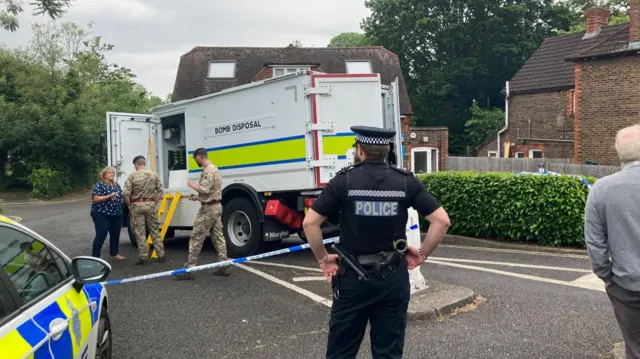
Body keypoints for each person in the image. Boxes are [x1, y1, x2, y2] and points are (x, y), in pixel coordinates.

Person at [303, 125, 451, 359]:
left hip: (352, 279)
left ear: (360, 150)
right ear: (387, 150)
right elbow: (441, 221)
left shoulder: (344, 182)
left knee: (341, 351)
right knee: (388, 352)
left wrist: (323, 259)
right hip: (393, 279)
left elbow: (310, 223)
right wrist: (422, 254)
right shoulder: (405, 182)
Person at [585, 124, 640, 359]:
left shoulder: (601, 189)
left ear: (618, 152)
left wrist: (608, 277)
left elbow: (595, 244)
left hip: (626, 285)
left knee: (635, 346)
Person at [177, 147, 230, 279]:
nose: (196, 161)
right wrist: (197, 197)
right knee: (218, 237)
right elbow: (212, 191)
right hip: (216, 206)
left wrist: (192, 185)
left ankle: (189, 269)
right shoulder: (215, 169)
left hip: (208, 210)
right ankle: (225, 265)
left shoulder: (208, 171)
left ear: (200, 157)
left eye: (195, 159)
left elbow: (205, 190)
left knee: (196, 237)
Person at [123, 155, 166, 265]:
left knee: (140, 232)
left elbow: (126, 194)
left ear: (136, 164)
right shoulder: (153, 174)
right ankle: (161, 254)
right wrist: (154, 202)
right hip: (150, 204)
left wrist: (129, 205)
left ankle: (143, 257)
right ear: (144, 163)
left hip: (137, 205)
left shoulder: (132, 176)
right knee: (155, 230)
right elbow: (160, 190)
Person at [90, 167, 125, 261]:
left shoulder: (116, 185)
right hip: (101, 213)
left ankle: (114, 253)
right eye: (109, 173)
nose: (112, 174)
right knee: (101, 234)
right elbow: (96, 199)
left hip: (116, 213)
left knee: (115, 234)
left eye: (113, 173)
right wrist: (109, 196)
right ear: (104, 175)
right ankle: (95, 257)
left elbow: (121, 197)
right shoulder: (100, 184)